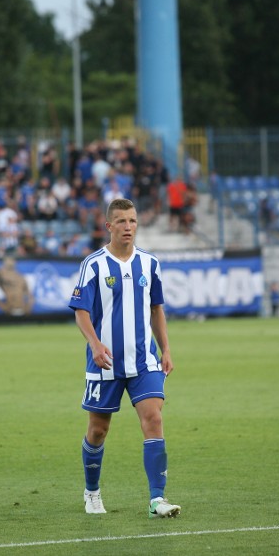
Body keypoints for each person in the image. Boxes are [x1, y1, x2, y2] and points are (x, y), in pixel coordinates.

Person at [69, 198, 181, 519]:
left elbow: (156, 309)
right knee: (98, 430)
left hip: (144, 361)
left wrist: (166, 350)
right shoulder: (94, 264)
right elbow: (81, 311)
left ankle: (157, 500)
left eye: (132, 221)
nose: (128, 227)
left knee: (154, 419)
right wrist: (94, 344)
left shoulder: (149, 264)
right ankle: (92, 492)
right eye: (121, 221)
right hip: (105, 361)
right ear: (108, 226)